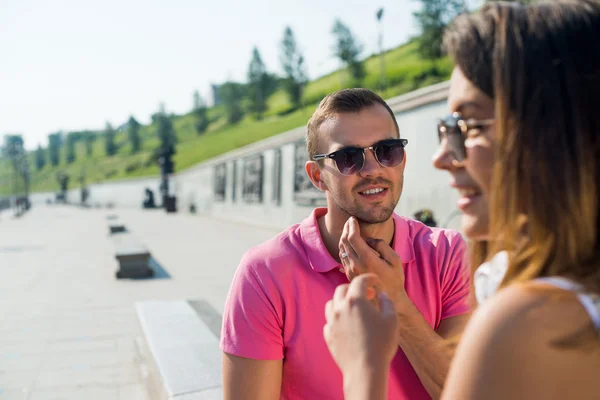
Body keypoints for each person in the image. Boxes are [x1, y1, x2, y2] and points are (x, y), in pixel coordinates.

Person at [323, 1, 600, 399]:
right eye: (446, 127)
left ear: (553, 133)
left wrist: (363, 368)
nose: (441, 157)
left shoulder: (524, 321)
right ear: (317, 175)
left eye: (467, 126)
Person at [221, 88, 471, 400]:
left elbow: (466, 391)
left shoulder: (447, 254)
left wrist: (394, 300)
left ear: (402, 159)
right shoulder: (264, 273)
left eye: (386, 151)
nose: (372, 169)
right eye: (348, 158)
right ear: (317, 176)